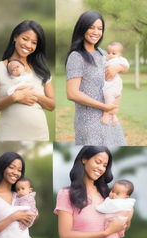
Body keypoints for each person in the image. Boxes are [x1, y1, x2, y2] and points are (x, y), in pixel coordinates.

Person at [54, 146, 133, 238]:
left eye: (104, 165)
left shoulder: (109, 195)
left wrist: (128, 217)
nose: (101, 168)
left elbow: (119, 228)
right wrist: (105, 233)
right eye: (98, 162)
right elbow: (65, 237)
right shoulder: (66, 194)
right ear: (84, 159)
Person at [0, 20, 55, 141]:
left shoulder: (41, 70)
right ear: (15, 37)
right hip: (9, 136)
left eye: (34, 42)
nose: (28, 45)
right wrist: (14, 98)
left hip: (40, 136)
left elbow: (51, 105)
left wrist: (34, 95)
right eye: (25, 39)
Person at [65, 11, 128, 145]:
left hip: (109, 117)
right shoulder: (76, 56)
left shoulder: (102, 53)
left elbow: (122, 63)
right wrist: (104, 106)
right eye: (91, 27)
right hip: (90, 120)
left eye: (100, 28)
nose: (96, 32)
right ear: (82, 28)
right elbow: (72, 93)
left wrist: (119, 68)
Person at [102, 42, 130, 125]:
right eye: (109, 52)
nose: (110, 55)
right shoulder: (105, 58)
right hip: (108, 82)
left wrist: (120, 67)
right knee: (110, 97)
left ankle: (110, 113)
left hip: (116, 81)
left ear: (120, 54)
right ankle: (111, 115)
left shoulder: (120, 59)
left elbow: (126, 65)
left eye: (114, 53)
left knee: (114, 95)